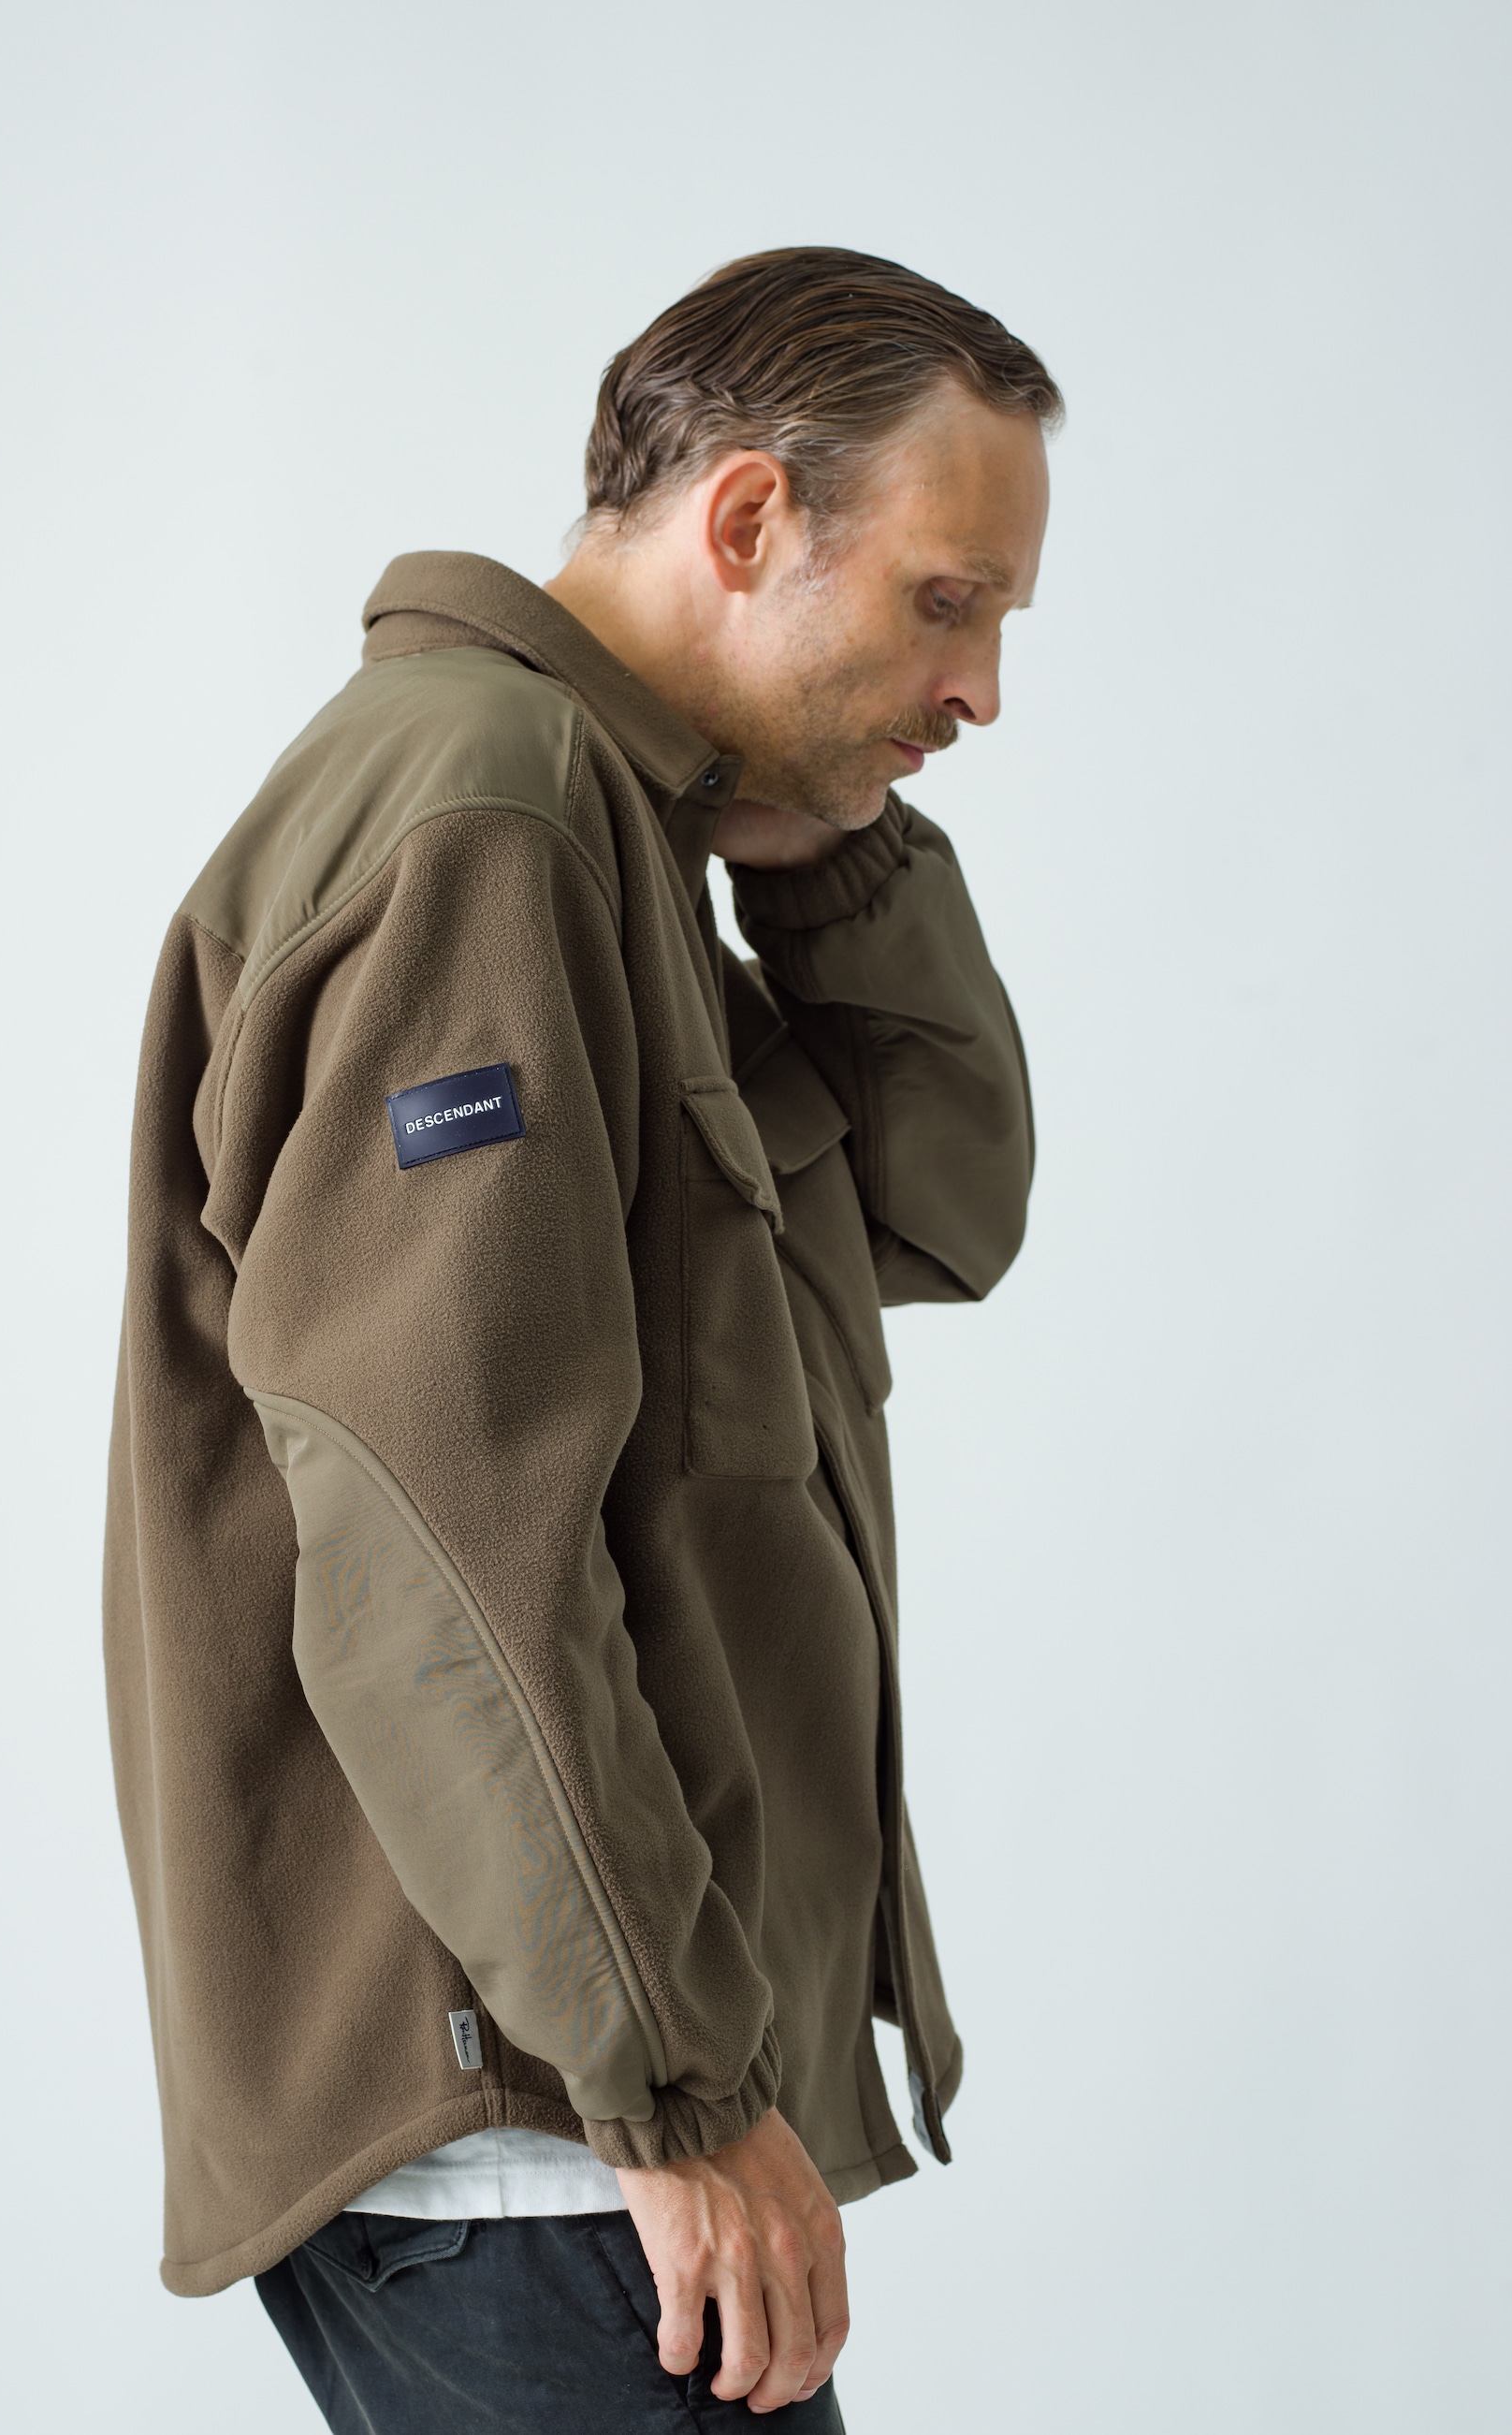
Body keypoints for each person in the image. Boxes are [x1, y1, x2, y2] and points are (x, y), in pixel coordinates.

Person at [104, 246, 1058, 2430]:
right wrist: (672, 2082)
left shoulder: (612, 826)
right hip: (545, 2115)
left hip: (583, 2101)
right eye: (947, 602)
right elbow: (447, 1521)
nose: (985, 686)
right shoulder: (489, 816)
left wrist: (823, 855)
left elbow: (940, 1210)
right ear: (750, 518)